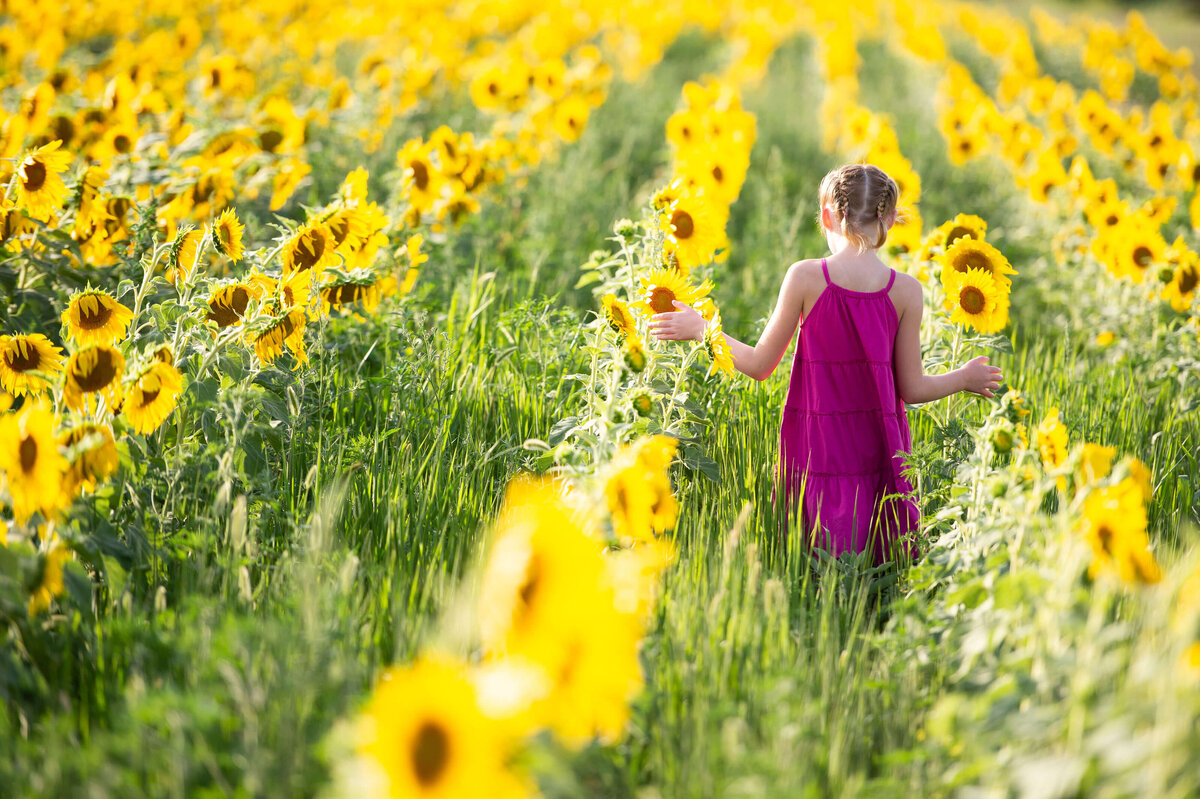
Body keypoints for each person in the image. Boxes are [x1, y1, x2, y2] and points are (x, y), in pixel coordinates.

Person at [647, 163, 1002, 565]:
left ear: (828, 217)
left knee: (819, 558)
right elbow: (913, 389)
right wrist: (964, 377)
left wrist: (702, 329)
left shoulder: (805, 277)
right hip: (879, 448)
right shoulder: (906, 291)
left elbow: (759, 364)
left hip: (818, 446)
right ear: (888, 219)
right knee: (879, 561)